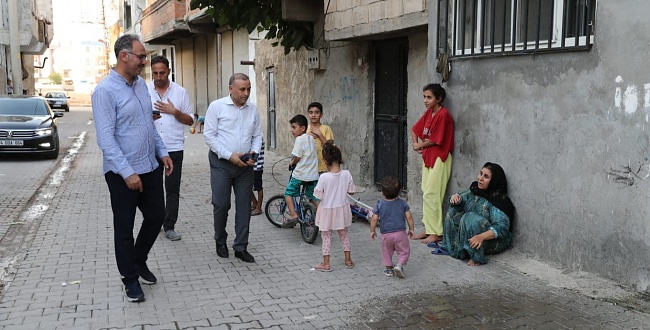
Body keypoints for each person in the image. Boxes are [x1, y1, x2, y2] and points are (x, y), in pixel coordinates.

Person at [92, 34, 173, 302]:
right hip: (121, 172)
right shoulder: (104, 91)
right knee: (124, 227)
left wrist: (162, 152)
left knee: (157, 216)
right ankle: (129, 279)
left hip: (150, 166)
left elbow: (147, 125)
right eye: (141, 56)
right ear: (124, 56)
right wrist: (127, 173)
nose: (145, 61)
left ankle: (139, 260)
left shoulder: (140, 85)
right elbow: (105, 138)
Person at [204, 73, 262, 263]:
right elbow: (209, 136)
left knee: (245, 207)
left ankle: (240, 246)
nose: (246, 93)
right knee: (221, 204)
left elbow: (257, 135)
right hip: (222, 163)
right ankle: (220, 241)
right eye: (242, 89)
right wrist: (230, 156)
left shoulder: (252, 110)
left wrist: (253, 153)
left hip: (245, 165)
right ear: (231, 89)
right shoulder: (216, 107)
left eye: (248, 89)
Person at [147, 55, 194, 241]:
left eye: (162, 73)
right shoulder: (143, 89)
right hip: (150, 148)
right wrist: (147, 117)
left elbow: (190, 120)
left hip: (174, 148)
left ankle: (169, 226)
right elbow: (134, 117)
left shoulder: (180, 92)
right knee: (152, 189)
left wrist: (174, 112)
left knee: (172, 189)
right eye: (155, 73)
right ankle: (154, 223)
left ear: (169, 71)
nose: (158, 76)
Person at [441, 162, 515, 266]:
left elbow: (502, 228)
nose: (480, 178)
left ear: (493, 181)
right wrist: (456, 197)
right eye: (480, 174)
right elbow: (462, 197)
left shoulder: (498, 200)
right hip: (475, 236)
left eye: (486, 177)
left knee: (470, 217)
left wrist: (481, 237)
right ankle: (455, 248)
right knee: (454, 209)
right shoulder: (476, 189)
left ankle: (477, 257)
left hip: (493, 240)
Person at [411, 83, 454, 245]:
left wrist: (420, 145)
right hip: (428, 157)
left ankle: (437, 232)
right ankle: (428, 229)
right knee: (425, 191)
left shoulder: (443, 115)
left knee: (433, 193)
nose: (425, 100)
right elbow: (414, 129)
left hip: (440, 158)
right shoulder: (429, 113)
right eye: (424, 97)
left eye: (429, 97)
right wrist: (416, 145)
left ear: (439, 99)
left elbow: (438, 140)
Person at [312, 142, 355, 272]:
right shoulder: (347, 174)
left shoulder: (324, 177)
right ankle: (348, 260)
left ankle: (326, 264)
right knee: (344, 235)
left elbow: (317, 195)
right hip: (342, 210)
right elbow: (351, 191)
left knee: (326, 237)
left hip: (327, 211)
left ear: (325, 160)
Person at [370, 176, 415, 278]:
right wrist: (411, 229)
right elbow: (409, 217)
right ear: (399, 192)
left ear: (382, 192)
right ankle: (399, 265)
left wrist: (372, 231)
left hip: (386, 234)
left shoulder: (380, 204)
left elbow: (374, 218)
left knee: (386, 251)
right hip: (401, 233)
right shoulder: (402, 203)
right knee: (404, 251)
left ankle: (389, 270)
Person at [281, 114, 319, 228]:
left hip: (300, 175)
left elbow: (297, 157)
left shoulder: (299, 139)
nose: (291, 130)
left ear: (302, 128)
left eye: (293, 127)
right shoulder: (311, 138)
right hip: (313, 175)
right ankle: (323, 215)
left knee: (288, 193)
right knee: (313, 197)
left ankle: (293, 215)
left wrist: (292, 162)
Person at [306, 102, 334, 174]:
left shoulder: (326, 129)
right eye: (311, 112)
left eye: (316, 112)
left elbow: (329, 148)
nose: (313, 115)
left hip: (323, 166)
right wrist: (308, 137)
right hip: (308, 166)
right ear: (308, 114)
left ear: (321, 115)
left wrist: (319, 134)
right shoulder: (305, 129)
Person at [250, 139, 265, 216]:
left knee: (258, 187)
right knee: (247, 187)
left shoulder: (258, 140)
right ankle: (254, 202)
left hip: (257, 168)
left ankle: (259, 207)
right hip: (249, 167)